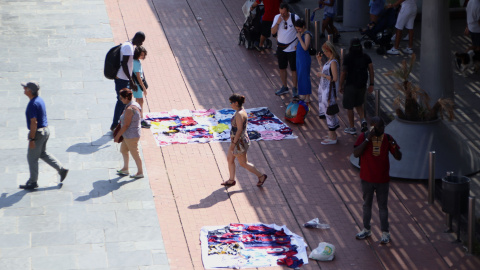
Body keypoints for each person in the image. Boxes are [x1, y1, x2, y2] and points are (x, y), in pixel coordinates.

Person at [353, 116, 402, 244]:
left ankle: (385, 233)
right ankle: (366, 229)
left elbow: (398, 157)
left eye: (383, 126)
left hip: (382, 180)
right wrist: (368, 139)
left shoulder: (387, 138)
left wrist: (394, 146)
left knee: (383, 207)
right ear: (373, 127)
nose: (383, 128)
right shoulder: (363, 137)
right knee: (366, 205)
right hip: (367, 178)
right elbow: (356, 153)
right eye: (380, 126)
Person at [20, 82, 69, 190]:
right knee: (42, 153)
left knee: (32, 157)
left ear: (30, 91)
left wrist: (32, 138)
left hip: (38, 133)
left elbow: (34, 123)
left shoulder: (33, 104)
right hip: (45, 131)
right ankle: (61, 170)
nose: (24, 89)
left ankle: (33, 182)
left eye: (25, 87)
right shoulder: (39, 100)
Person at [221, 94, 267, 187]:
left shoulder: (239, 114)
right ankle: (231, 180)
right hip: (238, 141)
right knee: (230, 159)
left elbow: (239, 130)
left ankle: (261, 176)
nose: (230, 105)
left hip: (239, 142)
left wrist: (234, 143)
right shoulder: (241, 110)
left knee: (243, 163)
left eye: (231, 102)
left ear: (236, 103)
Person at [110, 31, 146, 131]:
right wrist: (131, 81)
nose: (141, 44)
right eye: (141, 41)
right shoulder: (128, 47)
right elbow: (124, 64)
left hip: (123, 78)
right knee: (121, 101)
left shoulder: (128, 45)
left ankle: (118, 123)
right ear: (137, 38)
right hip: (122, 79)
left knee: (123, 101)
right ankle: (114, 124)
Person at [340, 38, 375, 135]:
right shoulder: (366, 57)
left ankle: (352, 127)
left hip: (350, 85)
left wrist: (340, 85)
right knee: (359, 104)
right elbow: (371, 70)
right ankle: (363, 120)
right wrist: (371, 84)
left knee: (349, 107)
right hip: (362, 85)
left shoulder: (348, 57)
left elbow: (343, 72)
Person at [114, 88, 144, 179]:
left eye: (121, 98)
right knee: (123, 150)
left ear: (126, 98)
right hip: (129, 135)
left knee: (135, 153)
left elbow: (126, 125)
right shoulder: (135, 104)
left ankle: (140, 172)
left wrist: (118, 135)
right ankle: (125, 169)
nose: (121, 100)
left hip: (131, 136)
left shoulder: (129, 109)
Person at [271, 3, 300, 96]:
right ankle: (284, 86)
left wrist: (299, 44)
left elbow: (301, 30)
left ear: (288, 11)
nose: (282, 15)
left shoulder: (295, 18)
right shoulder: (277, 18)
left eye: (284, 13)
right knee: (282, 68)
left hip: (292, 48)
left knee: (294, 69)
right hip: (281, 48)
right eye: (281, 12)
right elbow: (273, 32)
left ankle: (295, 88)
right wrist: (278, 22)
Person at [316, 41, 340, 145]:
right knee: (327, 111)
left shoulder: (333, 62)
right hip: (324, 90)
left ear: (330, 51)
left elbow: (334, 78)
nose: (324, 53)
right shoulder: (329, 61)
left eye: (325, 51)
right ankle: (331, 133)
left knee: (329, 111)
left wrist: (323, 75)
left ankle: (332, 135)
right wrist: (320, 62)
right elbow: (325, 71)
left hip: (328, 91)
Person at [132, 46, 150, 128]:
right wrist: (144, 88)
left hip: (136, 85)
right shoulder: (136, 63)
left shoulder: (135, 61)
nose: (143, 57)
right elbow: (138, 77)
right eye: (142, 55)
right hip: (138, 85)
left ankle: (138, 117)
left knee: (138, 101)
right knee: (140, 101)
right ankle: (141, 119)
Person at [294, 19, 312, 101]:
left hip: (304, 58)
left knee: (305, 76)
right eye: (296, 29)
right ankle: (304, 94)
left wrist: (300, 38)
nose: (298, 31)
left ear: (303, 27)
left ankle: (307, 95)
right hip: (299, 57)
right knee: (300, 76)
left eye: (299, 29)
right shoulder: (301, 34)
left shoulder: (307, 34)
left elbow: (305, 47)